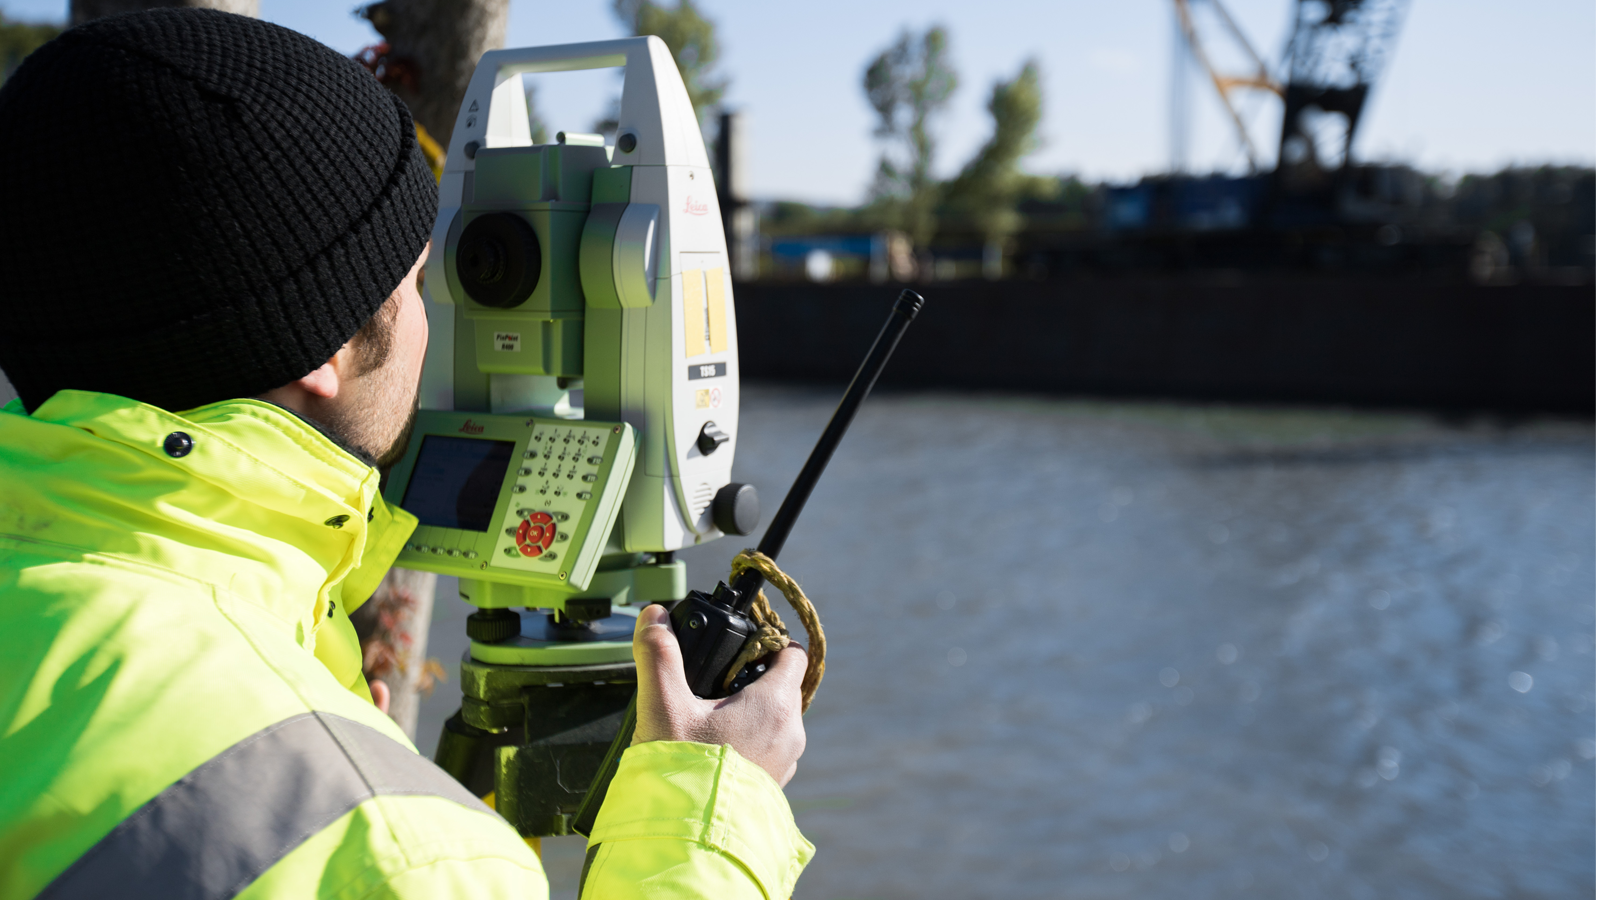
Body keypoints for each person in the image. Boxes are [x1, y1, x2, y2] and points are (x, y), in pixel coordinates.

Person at [0, 9, 811, 899]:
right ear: (325, 352)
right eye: (419, 281)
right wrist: (710, 811)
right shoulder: (392, 852)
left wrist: (306, 705)